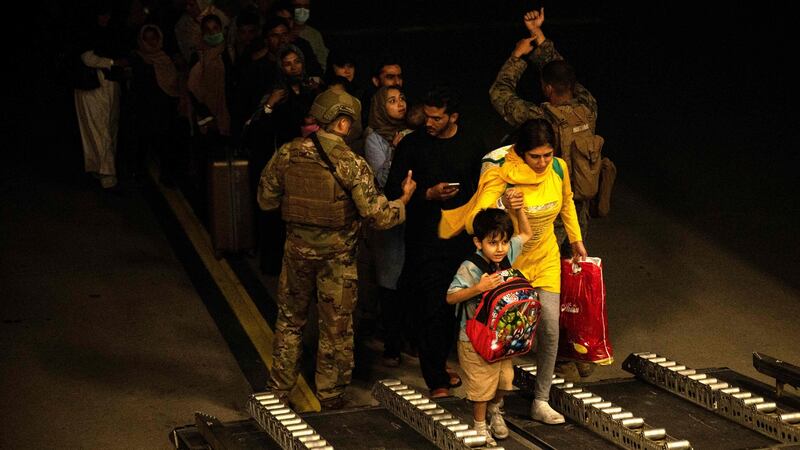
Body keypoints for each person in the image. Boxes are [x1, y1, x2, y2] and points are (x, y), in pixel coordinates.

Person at [257, 89, 417, 409]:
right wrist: (403, 201)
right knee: (336, 328)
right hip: (337, 260)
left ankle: (278, 390)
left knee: (290, 321)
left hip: (296, 254)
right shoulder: (351, 163)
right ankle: (330, 395)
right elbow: (377, 215)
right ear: (342, 124)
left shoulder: (288, 153)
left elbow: (266, 200)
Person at [440, 119, 588, 424]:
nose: (543, 162)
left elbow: (568, 203)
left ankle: (541, 400)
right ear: (521, 153)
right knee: (509, 332)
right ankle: (495, 402)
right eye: (536, 156)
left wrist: (576, 240)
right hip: (511, 260)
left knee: (549, 328)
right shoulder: (499, 170)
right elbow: (475, 221)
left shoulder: (558, 169)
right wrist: (501, 202)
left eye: (547, 154)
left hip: (545, 255)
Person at [488, 8, 600, 381]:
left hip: (547, 210)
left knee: (542, 284)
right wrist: (542, 38)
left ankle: (551, 354)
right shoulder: (588, 106)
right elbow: (563, 72)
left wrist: (519, 55)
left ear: (547, 89)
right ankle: (578, 350)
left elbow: (499, 94)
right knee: (573, 280)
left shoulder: (540, 118)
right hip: (577, 210)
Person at [385, 84, 485, 398]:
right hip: (425, 240)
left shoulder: (472, 144)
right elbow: (391, 192)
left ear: (453, 117)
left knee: (456, 307)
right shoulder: (412, 145)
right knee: (431, 306)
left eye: (437, 118)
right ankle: (436, 378)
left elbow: (485, 188)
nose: (429, 123)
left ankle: (442, 363)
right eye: (427, 116)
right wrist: (426, 194)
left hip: (462, 241)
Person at [446, 207, 532, 445]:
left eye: (504, 242)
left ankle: (495, 410)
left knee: (505, 381)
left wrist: (518, 210)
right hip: (474, 337)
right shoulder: (470, 267)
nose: (500, 248)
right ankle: (479, 426)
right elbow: (450, 297)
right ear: (478, 242)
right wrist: (477, 289)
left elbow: (526, 233)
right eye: (493, 243)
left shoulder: (505, 256)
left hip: (502, 337)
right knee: (482, 386)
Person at [363, 86, 413, 366]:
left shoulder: (409, 131)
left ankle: (404, 338)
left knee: (405, 277)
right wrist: (395, 149)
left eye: (402, 98)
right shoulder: (375, 137)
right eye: (392, 101)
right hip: (388, 215)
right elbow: (380, 178)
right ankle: (391, 342)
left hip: (408, 212)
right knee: (388, 279)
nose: (400, 104)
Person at [73, 5, 128, 190]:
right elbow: (87, 57)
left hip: (108, 84)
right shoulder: (87, 34)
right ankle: (106, 173)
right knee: (99, 127)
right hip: (93, 87)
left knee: (107, 126)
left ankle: (102, 168)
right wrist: (111, 62)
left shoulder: (109, 34)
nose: (105, 19)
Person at [129, 24, 181, 186]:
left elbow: (174, 83)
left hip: (164, 107)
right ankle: (139, 174)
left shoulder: (165, 58)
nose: (151, 42)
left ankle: (166, 174)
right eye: (147, 38)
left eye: (154, 38)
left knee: (165, 141)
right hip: (145, 107)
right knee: (143, 141)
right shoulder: (136, 58)